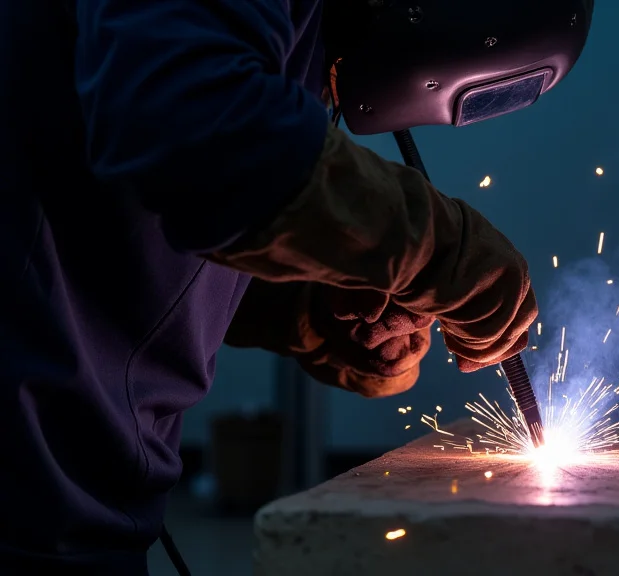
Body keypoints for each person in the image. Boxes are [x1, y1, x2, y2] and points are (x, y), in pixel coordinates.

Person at [0, 0, 561, 572]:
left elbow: (112, 208)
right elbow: (186, 124)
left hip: (73, 501)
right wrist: (436, 248)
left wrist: (307, 306)